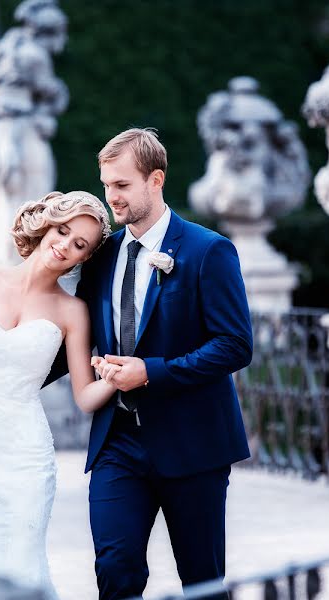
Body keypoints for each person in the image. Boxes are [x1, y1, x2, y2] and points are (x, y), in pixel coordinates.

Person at [49, 128, 253, 599]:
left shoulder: (208, 251)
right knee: (115, 573)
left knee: (202, 583)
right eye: (106, 185)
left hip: (194, 445)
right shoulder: (99, 259)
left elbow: (235, 345)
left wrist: (151, 371)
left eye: (121, 185)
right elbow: (73, 343)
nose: (111, 197)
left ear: (155, 179)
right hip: (117, 443)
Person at [0, 190, 115, 598]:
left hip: (24, 460)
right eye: (62, 231)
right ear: (48, 225)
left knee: (18, 565)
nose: (64, 245)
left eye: (79, 244)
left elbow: (84, 397)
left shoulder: (72, 312)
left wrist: (119, 377)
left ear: (84, 258)